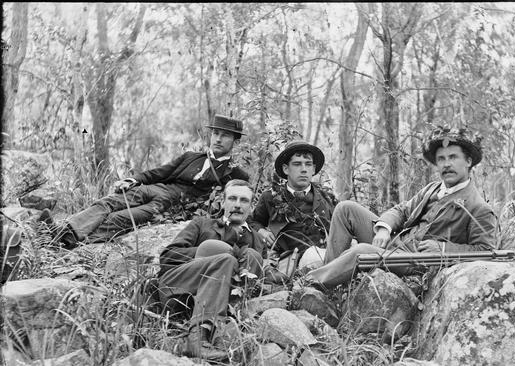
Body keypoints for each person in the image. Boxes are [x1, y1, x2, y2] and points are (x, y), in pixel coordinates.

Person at [301, 126, 496, 289]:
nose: (446, 164)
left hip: (415, 261)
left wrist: (443, 248)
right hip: (394, 243)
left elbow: (486, 251)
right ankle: (329, 279)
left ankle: (309, 284)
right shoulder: (432, 188)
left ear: (468, 162)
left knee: (361, 251)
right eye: (441, 159)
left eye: (453, 157)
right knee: (345, 209)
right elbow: (402, 210)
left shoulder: (478, 207)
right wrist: (384, 229)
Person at [40, 115, 250, 246]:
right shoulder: (190, 157)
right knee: (108, 202)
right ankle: (63, 231)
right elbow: (158, 172)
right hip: (156, 188)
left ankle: (73, 241)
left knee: (121, 218)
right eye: (215, 133)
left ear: (235, 142)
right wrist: (132, 179)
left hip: (170, 206)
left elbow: (229, 206)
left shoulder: (236, 174)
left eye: (225, 135)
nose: (218, 139)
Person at [157, 179, 265, 360]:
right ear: (223, 202)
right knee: (225, 259)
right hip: (179, 287)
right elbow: (168, 256)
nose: (237, 205)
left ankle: (225, 329)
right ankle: (197, 339)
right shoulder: (202, 224)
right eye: (232, 198)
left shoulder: (257, 240)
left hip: (221, 300)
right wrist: (209, 254)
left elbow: (260, 276)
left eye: (244, 200)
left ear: (251, 206)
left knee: (253, 256)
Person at [250, 141, 337, 284]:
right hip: (289, 260)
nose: (304, 169)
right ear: (286, 169)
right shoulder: (270, 197)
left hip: (327, 255)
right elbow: (253, 221)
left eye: (308, 164)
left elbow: (341, 227)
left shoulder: (327, 197)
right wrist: (262, 232)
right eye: (297, 164)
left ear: (314, 169)